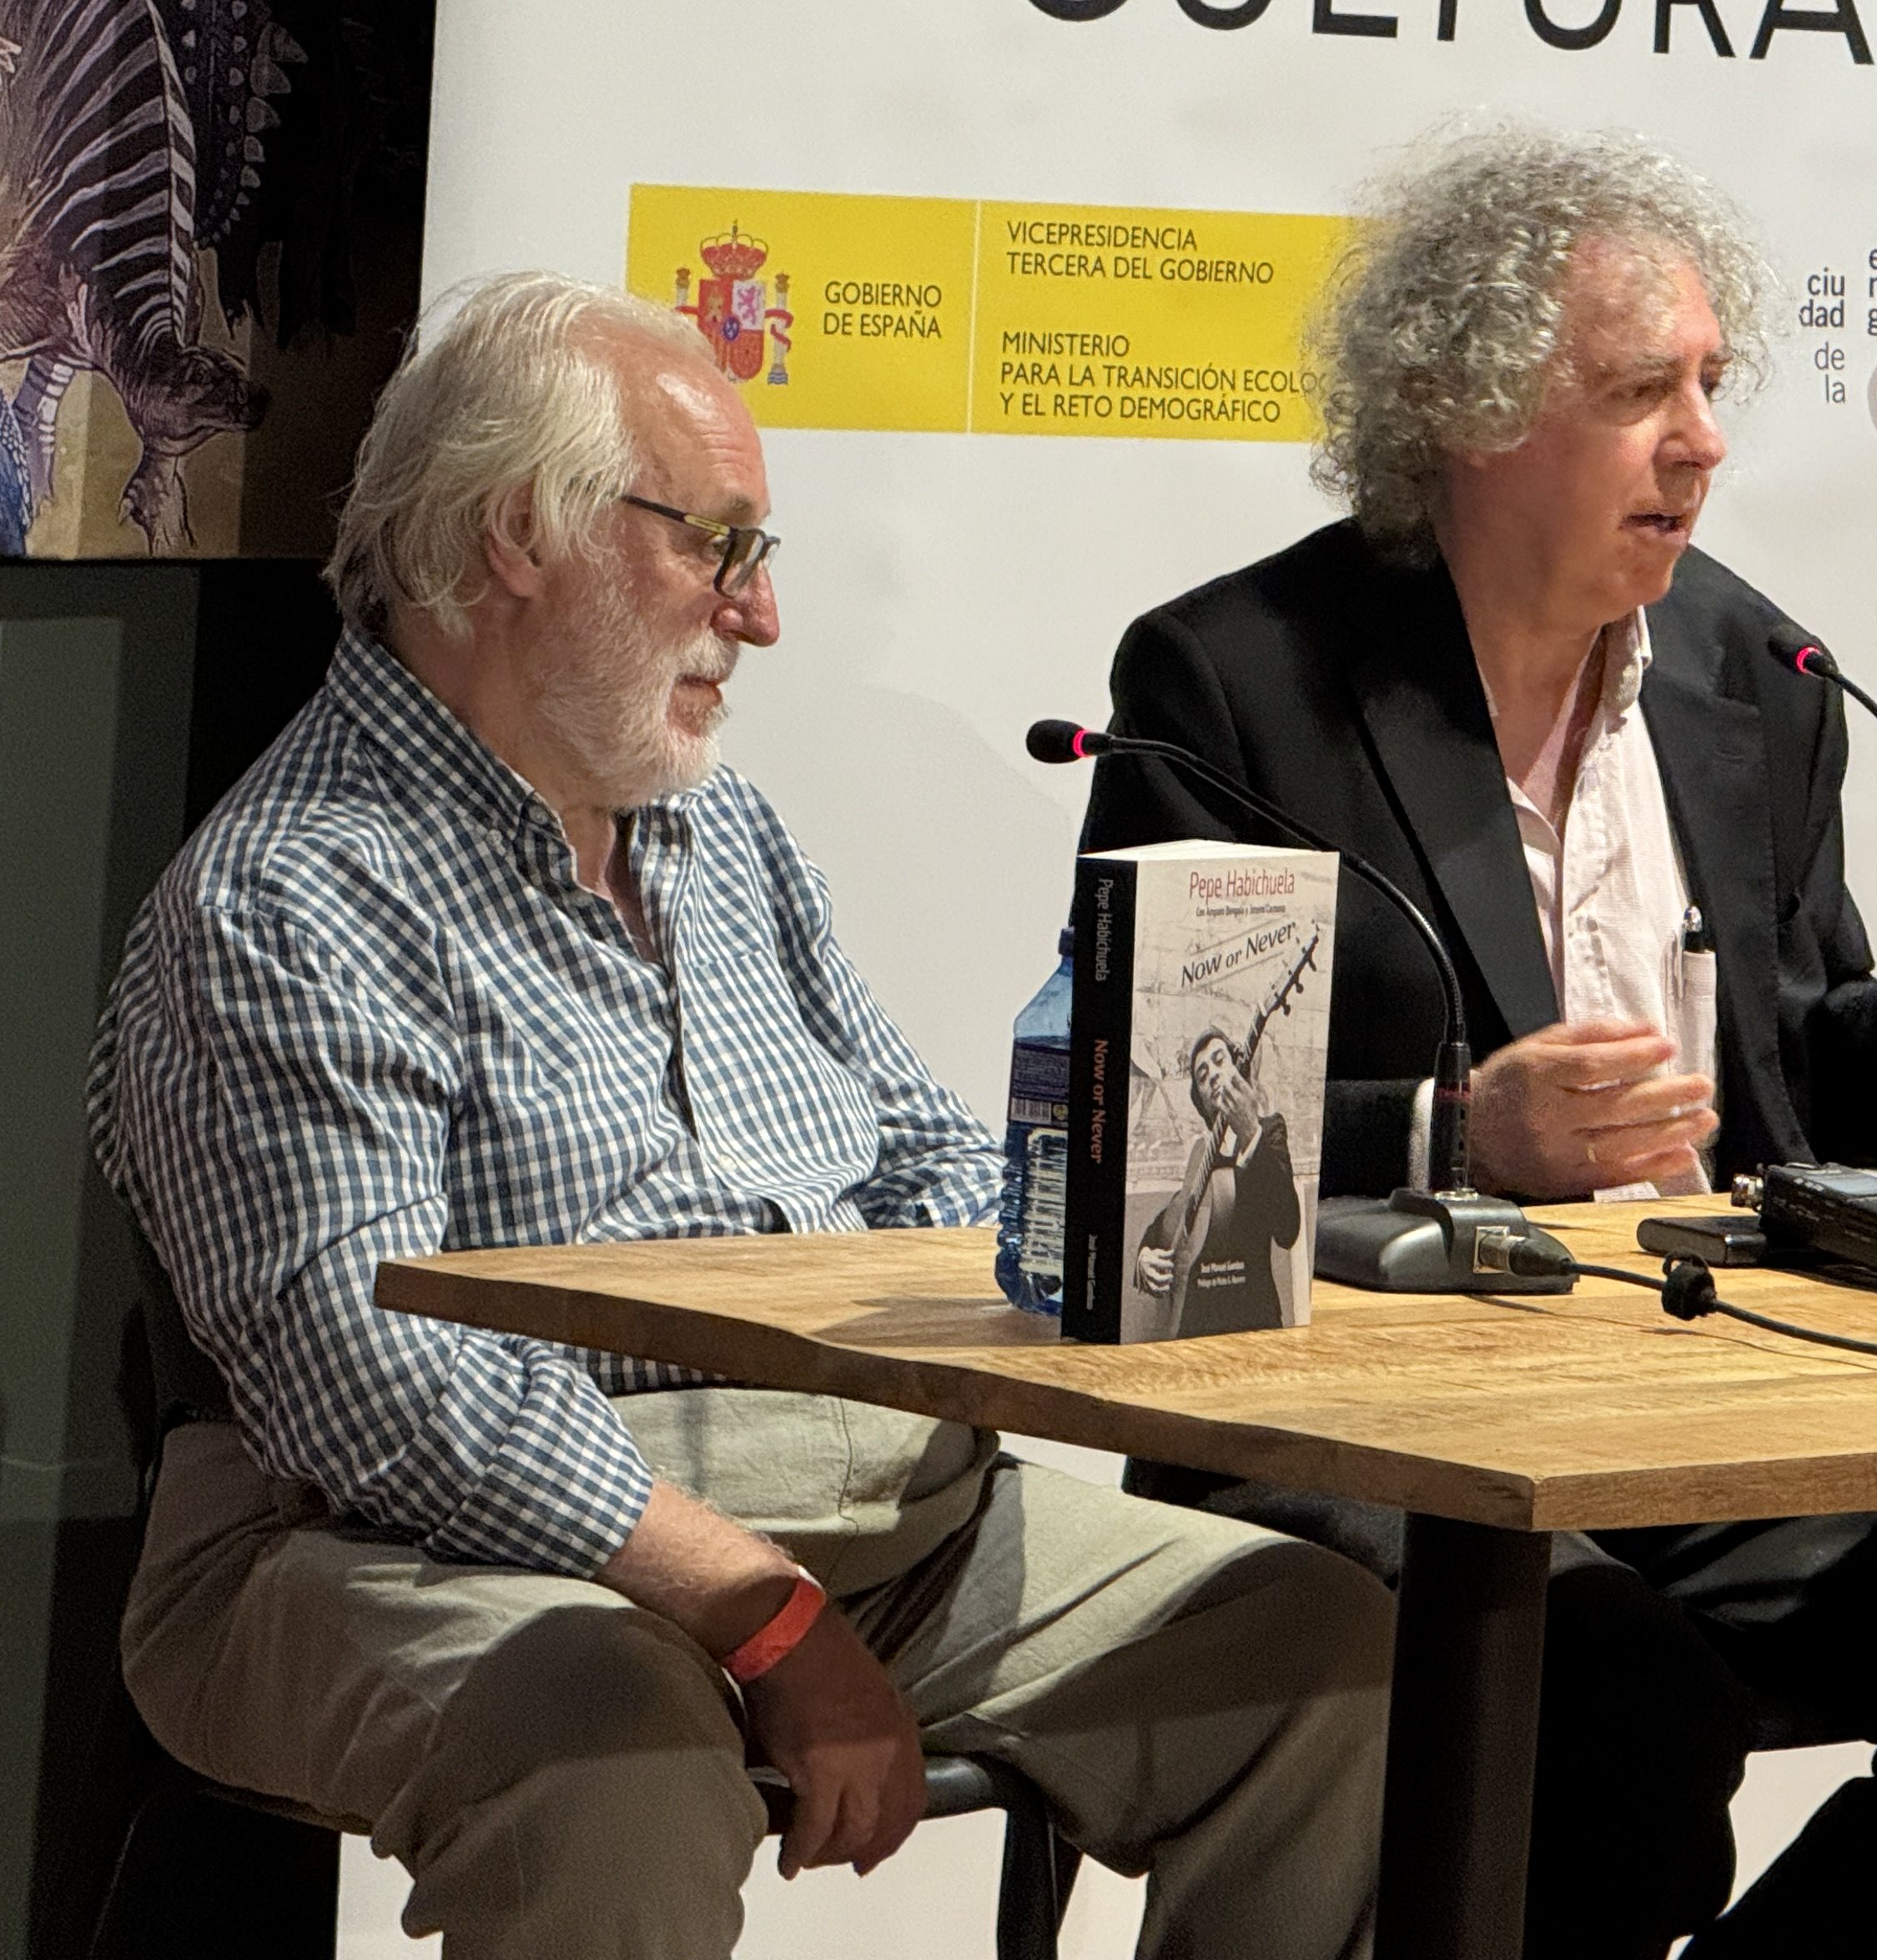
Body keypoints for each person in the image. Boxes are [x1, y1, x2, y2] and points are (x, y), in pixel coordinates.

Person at [88, 274, 1388, 1960]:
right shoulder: (292, 897)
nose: (760, 618)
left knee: (1326, 1656)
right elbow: (370, 1382)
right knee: (609, 1746)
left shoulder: (729, 837)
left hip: (881, 1518)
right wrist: (760, 1614)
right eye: (719, 546)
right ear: (512, 538)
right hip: (404, 1549)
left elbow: (916, 1159)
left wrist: (1123, 1213)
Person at [1080, 121, 1877, 1960]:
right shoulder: (1238, 685)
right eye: (1641, 392)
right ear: (1466, 413)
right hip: (1361, 1429)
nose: (1703, 438)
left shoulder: (1749, 675)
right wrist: (1456, 1138)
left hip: (1688, 1408)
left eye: (1710, 382)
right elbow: (1140, 1140)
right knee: (1625, 1707)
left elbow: (1789, 1054)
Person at [1131, 1028, 1306, 1336]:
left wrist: (1251, 1132)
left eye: (1219, 1060)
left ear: (1238, 1068)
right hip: (1193, 1326)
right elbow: (1168, 1221)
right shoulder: (1200, 1155)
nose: (1212, 1074)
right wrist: (1143, 1256)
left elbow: (1287, 1229)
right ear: (1199, 1099)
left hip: (1253, 1326)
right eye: (1202, 1074)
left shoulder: (1269, 1132)